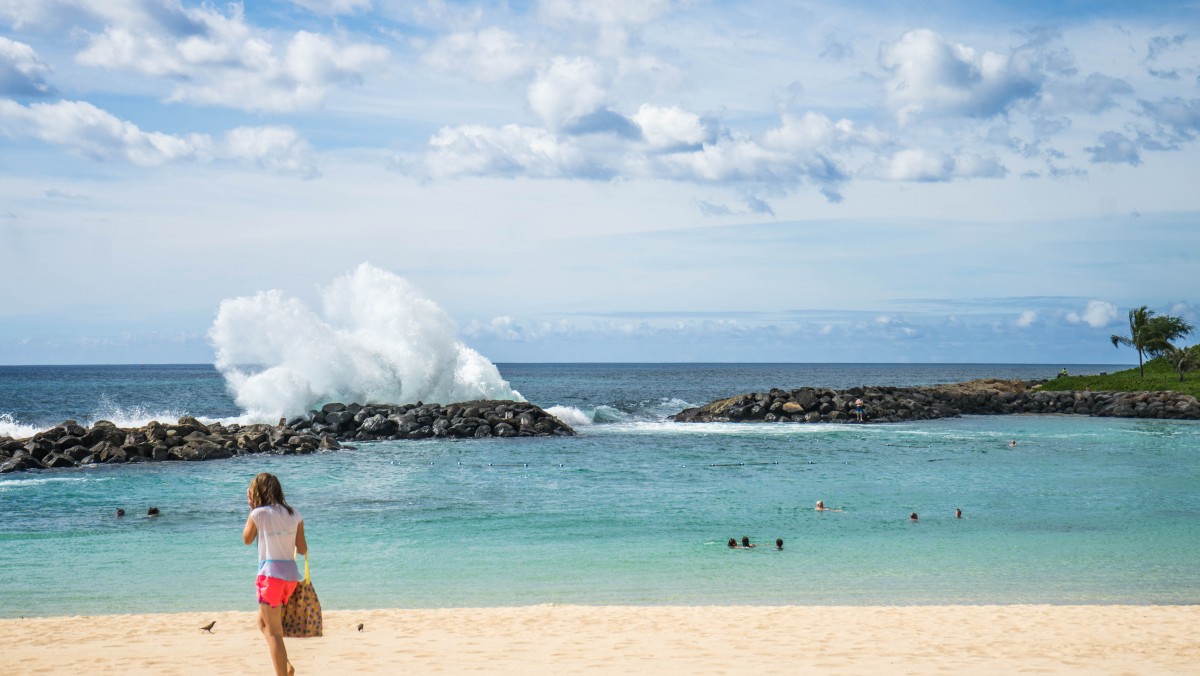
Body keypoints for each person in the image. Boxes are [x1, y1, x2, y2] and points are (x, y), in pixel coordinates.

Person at [244, 473, 307, 676]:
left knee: (274, 633)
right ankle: (285, 664)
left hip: (270, 577)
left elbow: (247, 538)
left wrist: (252, 509)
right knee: (262, 623)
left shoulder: (259, 514)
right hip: (290, 578)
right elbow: (302, 548)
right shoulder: (294, 514)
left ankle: (283, 671)